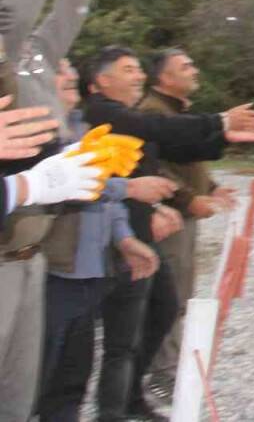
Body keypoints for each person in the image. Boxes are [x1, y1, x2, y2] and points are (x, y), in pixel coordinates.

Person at [83, 46, 254, 422]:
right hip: (117, 237)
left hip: (140, 230)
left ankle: (131, 395)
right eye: (129, 69)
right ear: (102, 81)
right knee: (120, 334)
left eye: (139, 69)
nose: (139, 76)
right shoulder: (103, 112)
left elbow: (173, 147)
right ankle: (113, 408)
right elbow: (161, 135)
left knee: (163, 307)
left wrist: (223, 135)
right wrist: (219, 121)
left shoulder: (130, 116)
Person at [0, 0, 112, 421]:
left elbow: (68, 13)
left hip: (30, 258)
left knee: (19, 402)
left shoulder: (36, 58)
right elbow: (9, 18)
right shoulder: (5, 47)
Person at [38, 60, 176, 422]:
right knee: (38, 375)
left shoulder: (85, 130)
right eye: (65, 83)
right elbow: (65, 186)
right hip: (54, 273)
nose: (73, 84)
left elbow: (109, 200)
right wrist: (128, 187)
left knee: (73, 377)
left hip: (90, 272)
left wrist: (126, 239)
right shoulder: (37, 137)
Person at [140, 48, 236, 402]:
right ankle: (162, 376)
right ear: (164, 78)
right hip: (168, 220)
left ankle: (168, 369)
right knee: (169, 297)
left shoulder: (177, 111)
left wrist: (209, 188)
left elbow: (185, 160)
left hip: (185, 216)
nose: (195, 70)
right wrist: (187, 199)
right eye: (186, 66)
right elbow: (153, 168)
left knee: (180, 294)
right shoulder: (152, 113)